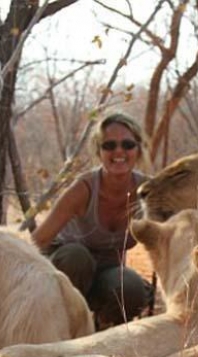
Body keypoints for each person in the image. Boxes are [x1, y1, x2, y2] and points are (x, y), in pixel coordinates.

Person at [32, 112, 151, 328]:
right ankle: (62, 327)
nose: (119, 151)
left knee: (132, 287)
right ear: (99, 151)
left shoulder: (148, 191)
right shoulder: (83, 188)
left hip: (107, 273)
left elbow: (174, 236)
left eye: (127, 144)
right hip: (66, 271)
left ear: (138, 149)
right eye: (109, 145)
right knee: (77, 257)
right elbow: (36, 241)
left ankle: (102, 330)